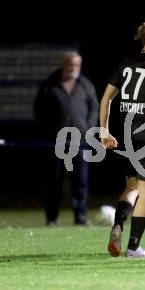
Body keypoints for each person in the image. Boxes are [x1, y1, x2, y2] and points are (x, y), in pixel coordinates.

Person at [100, 19, 145, 258]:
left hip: (129, 135)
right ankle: (133, 247)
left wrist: (103, 130)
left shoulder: (126, 64)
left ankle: (118, 224)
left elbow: (106, 98)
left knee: (131, 187)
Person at [34, 51, 99, 226]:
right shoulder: (49, 85)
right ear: (63, 64)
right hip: (56, 141)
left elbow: (94, 107)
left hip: (81, 140)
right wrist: (50, 129)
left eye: (77, 64)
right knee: (53, 180)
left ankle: (80, 217)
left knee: (81, 180)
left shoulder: (85, 84)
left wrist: (88, 126)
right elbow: (39, 111)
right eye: (71, 64)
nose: (74, 67)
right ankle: (51, 218)